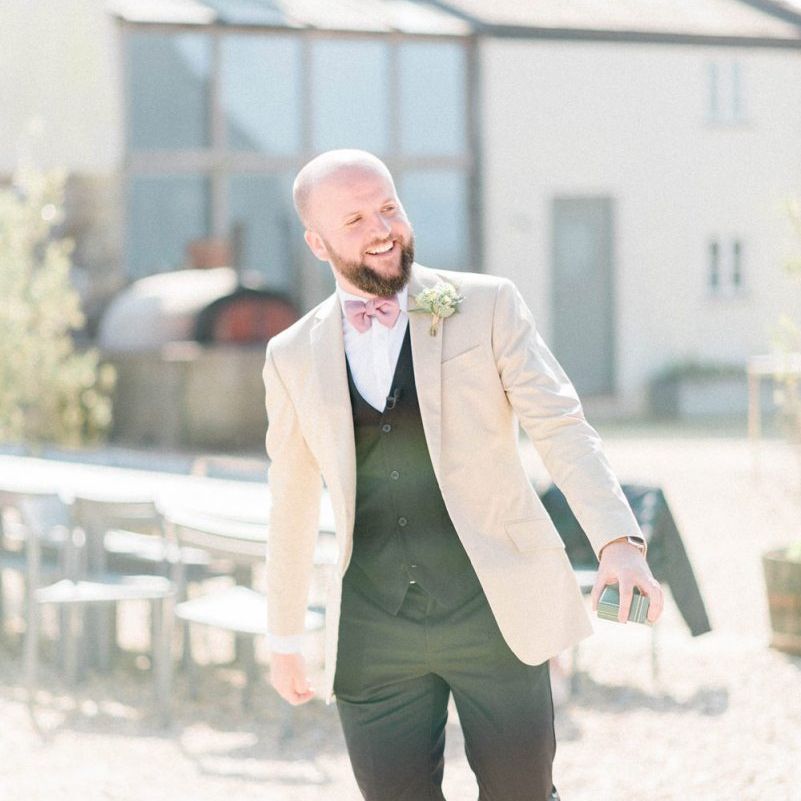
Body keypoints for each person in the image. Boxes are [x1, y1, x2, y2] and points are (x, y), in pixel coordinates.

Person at [262, 149, 663, 801]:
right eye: (356, 218)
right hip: (371, 630)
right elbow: (291, 503)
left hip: (494, 610)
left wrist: (617, 541)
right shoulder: (290, 355)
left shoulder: (486, 305)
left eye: (388, 206)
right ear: (317, 241)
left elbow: (559, 425)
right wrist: (283, 633)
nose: (382, 228)